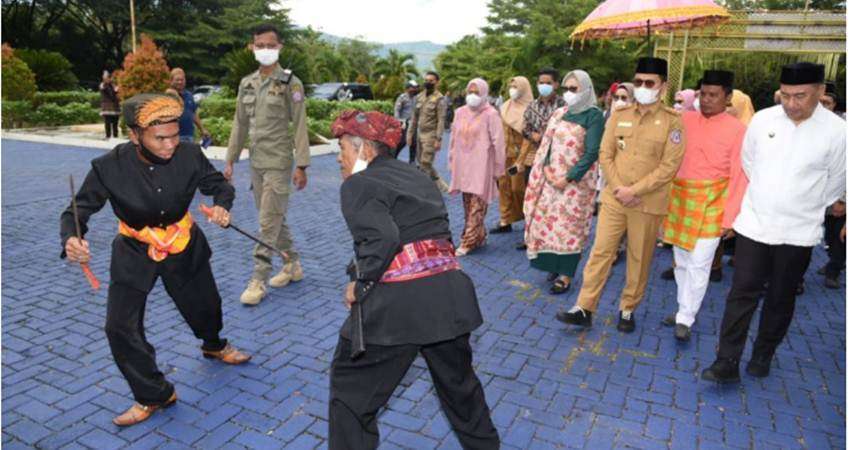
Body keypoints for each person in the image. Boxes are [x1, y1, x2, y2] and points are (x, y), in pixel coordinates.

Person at [60, 93, 251, 426]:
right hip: (135, 250)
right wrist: (72, 238)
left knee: (206, 306)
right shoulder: (108, 167)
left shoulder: (190, 154)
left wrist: (222, 205)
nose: (170, 145)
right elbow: (77, 211)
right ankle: (154, 394)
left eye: (175, 135)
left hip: (182, 243)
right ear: (135, 135)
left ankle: (213, 345)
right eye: (160, 138)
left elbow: (219, 185)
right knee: (119, 326)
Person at [328, 110, 499, 450]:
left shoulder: (358, 184)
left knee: (350, 392)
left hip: (398, 309)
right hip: (448, 299)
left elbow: (382, 240)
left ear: (364, 150)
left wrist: (359, 285)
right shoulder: (418, 176)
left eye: (343, 148)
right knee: (461, 391)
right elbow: (432, 234)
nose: (339, 158)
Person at [701, 62, 845, 384]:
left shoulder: (838, 132)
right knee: (742, 293)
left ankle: (763, 353)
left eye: (801, 96)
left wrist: (803, 205)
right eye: (786, 96)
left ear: (820, 92)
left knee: (781, 297)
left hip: (798, 231)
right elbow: (749, 163)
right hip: (754, 224)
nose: (792, 104)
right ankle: (727, 360)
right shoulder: (764, 119)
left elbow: (836, 182)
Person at [557, 57, 685, 333]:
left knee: (639, 259)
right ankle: (584, 307)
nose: (642, 87)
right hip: (615, 199)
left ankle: (628, 309)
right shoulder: (620, 115)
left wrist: (634, 191)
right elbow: (605, 154)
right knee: (600, 252)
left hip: (647, 203)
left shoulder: (673, 122)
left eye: (649, 83)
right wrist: (619, 189)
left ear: (663, 86)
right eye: (638, 82)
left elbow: (669, 167)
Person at [657, 70, 746, 342]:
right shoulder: (683, 120)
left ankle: (686, 317)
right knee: (681, 261)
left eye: (713, 95)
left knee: (700, 262)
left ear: (727, 98)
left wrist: (731, 218)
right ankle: (685, 308)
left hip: (714, 201)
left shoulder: (739, 130)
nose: (706, 100)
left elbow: (740, 174)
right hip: (680, 197)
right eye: (702, 94)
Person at [224, 24, 310, 305]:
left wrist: (302, 165)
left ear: (279, 47)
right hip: (256, 162)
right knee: (274, 218)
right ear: (252, 47)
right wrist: (230, 160)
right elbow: (239, 123)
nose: (264, 50)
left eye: (270, 45)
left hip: (279, 162)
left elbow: (299, 125)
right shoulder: (247, 83)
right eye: (259, 45)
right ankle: (292, 263)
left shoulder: (289, 82)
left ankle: (258, 279)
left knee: (265, 222)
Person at [524, 70, 603, 295]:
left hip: (576, 185)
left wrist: (567, 178)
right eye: (566, 89)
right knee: (549, 222)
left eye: (574, 89)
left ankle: (566, 274)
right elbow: (547, 145)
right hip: (551, 179)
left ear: (586, 90)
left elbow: (591, 152)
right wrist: (548, 171)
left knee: (570, 227)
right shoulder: (560, 113)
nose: (569, 93)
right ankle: (553, 265)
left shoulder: (593, 116)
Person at [448, 78, 506, 256]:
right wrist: (451, 160)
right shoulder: (460, 112)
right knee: (467, 204)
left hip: (482, 166)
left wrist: (498, 169)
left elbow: (499, 143)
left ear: (484, 93)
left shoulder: (491, 114)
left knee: (477, 205)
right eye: (470, 92)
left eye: (477, 92)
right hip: (464, 166)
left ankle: (469, 240)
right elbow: (453, 139)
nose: (472, 96)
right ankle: (479, 235)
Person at [515, 68, 566, 251]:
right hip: (534, 159)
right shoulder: (532, 106)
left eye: (548, 83)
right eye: (541, 82)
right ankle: (529, 236)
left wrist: (549, 136)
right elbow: (525, 128)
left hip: (556, 161)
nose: (544, 86)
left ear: (556, 84)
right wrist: (533, 135)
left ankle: (549, 236)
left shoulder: (564, 105)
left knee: (552, 199)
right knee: (532, 198)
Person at [491, 76, 533, 235]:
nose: (512, 89)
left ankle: (528, 218)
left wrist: (521, 159)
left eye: (516, 87)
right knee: (503, 187)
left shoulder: (531, 109)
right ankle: (505, 220)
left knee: (518, 188)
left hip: (521, 157)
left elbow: (529, 138)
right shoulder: (505, 106)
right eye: (511, 86)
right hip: (504, 154)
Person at [408, 71, 449, 192]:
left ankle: (423, 190)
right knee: (422, 162)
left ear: (437, 82)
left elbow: (441, 120)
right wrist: (410, 134)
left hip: (431, 134)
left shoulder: (440, 99)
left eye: (431, 81)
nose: (428, 83)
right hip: (420, 134)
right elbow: (414, 118)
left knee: (426, 163)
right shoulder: (419, 97)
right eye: (426, 80)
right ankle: (442, 186)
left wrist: (438, 139)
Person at [169, 68, 210, 143]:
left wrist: (202, 129)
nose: (180, 82)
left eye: (182, 79)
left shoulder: (189, 95)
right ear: (171, 81)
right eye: (177, 80)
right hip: (174, 136)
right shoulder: (168, 96)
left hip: (189, 135)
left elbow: (193, 113)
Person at [393, 80, 419, 160]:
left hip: (413, 123)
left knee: (414, 142)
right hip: (404, 123)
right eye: (412, 87)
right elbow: (397, 110)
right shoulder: (402, 97)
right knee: (402, 142)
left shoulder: (416, 98)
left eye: (415, 88)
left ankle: (412, 161)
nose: (414, 89)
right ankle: (393, 157)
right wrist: (398, 121)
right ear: (407, 88)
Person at [99, 70, 120, 139]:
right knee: (107, 122)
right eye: (105, 77)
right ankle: (108, 136)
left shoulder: (114, 85)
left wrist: (116, 89)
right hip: (107, 107)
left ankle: (115, 136)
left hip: (115, 106)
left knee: (115, 123)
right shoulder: (103, 85)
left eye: (107, 77)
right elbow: (105, 90)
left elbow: (117, 93)